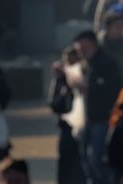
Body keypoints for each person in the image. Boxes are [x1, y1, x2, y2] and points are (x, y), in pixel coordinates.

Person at [73, 30, 122, 184]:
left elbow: (115, 90)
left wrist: (91, 88)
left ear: (92, 44)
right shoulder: (83, 64)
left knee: (97, 159)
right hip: (84, 119)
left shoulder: (108, 64)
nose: (81, 51)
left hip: (102, 118)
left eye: (83, 47)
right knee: (85, 161)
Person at [49, 47, 85, 184]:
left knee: (81, 164)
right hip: (66, 127)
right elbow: (54, 104)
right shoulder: (61, 80)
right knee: (65, 163)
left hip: (82, 127)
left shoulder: (83, 78)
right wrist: (62, 96)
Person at [98, 13, 123, 81]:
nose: (120, 29)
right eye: (117, 26)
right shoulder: (97, 44)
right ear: (107, 27)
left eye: (122, 26)